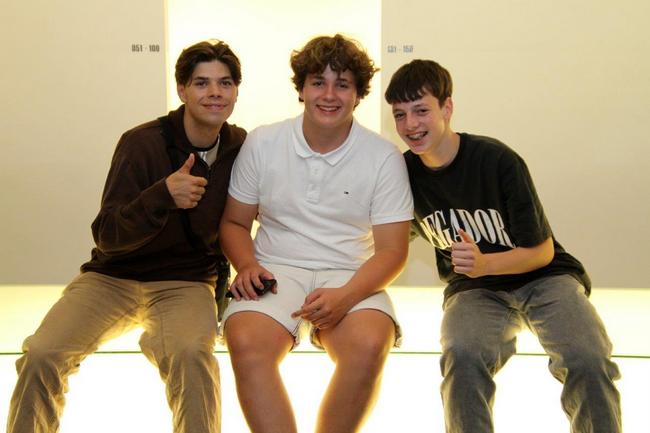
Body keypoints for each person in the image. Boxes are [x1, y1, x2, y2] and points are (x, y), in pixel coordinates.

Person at [6, 40, 246, 433]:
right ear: (182, 90)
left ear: (236, 91)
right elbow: (107, 234)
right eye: (201, 83)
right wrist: (162, 195)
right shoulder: (142, 142)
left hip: (185, 282)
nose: (215, 93)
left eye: (225, 83)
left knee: (192, 356)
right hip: (112, 277)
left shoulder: (240, 147)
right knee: (42, 354)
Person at [384, 59, 621, 433]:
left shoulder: (497, 160)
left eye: (421, 110)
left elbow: (541, 252)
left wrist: (485, 265)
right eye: (400, 115)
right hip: (474, 290)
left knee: (587, 357)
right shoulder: (401, 175)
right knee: (462, 355)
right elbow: (386, 240)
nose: (410, 124)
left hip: (544, 277)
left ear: (447, 107)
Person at [218, 34, 413, 433]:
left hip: (350, 271)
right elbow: (235, 223)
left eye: (342, 84)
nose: (328, 95)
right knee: (245, 340)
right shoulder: (264, 141)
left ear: (358, 94)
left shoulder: (383, 156)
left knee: (370, 343)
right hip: (274, 267)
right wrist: (247, 265)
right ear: (302, 89)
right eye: (318, 82)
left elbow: (392, 251)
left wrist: (348, 295)